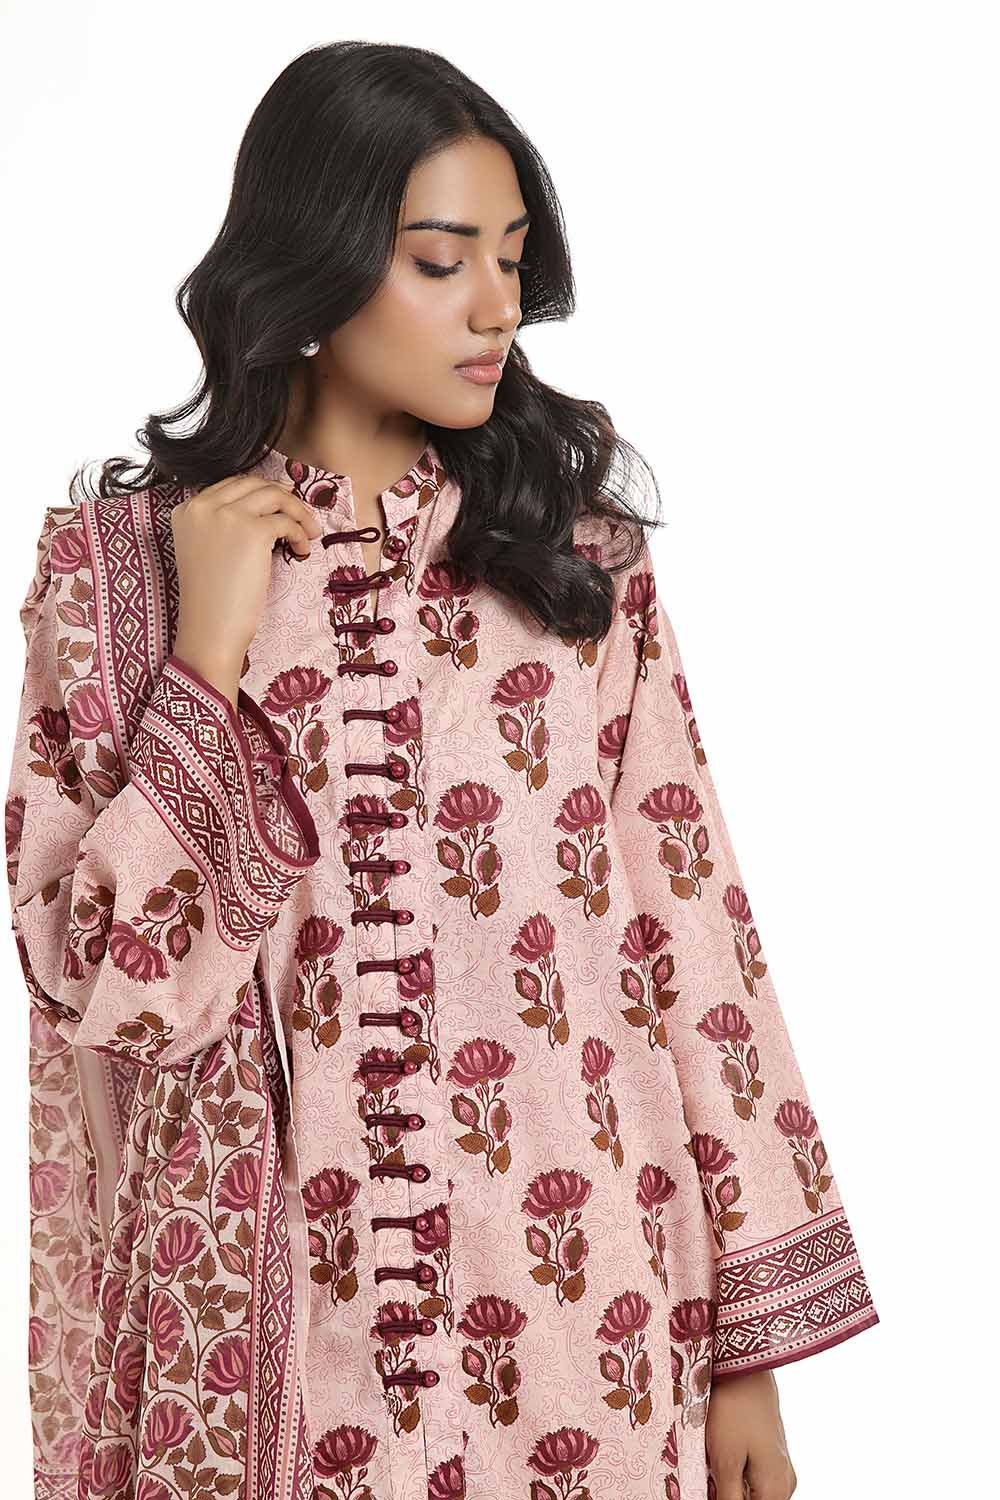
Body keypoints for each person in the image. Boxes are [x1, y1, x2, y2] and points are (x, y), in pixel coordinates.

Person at [4, 41, 878, 1500]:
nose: (495, 308)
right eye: (439, 260)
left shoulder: (574, 564)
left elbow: (694, 943)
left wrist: (749, 1360)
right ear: (313, 262)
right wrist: (204, 663)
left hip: (590, 1327)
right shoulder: (116, 582)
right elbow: (108, 987)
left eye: (512, 260)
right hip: (267, 1368)